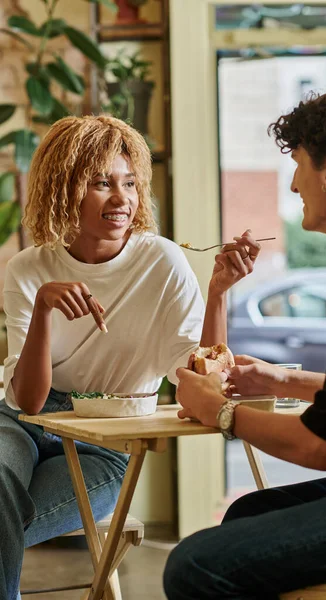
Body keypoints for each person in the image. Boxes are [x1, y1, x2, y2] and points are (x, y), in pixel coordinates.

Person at [0, 113, 261, 600]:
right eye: (101, 183)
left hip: (106, 441)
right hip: (20, 422)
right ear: (63, 188)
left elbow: (196, 376)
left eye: (130, 183)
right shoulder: (28, 269)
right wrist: (42, 309)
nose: (122, 199)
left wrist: (219, 294)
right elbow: (30, 403)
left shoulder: (162, 261)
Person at [164, 87, 326, 599]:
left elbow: (318, 447)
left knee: (191, 566)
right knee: (248, 511)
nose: (294, 184)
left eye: (298, 164)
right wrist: (281, 379)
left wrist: (217, 412)